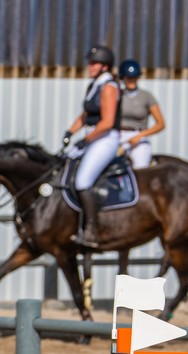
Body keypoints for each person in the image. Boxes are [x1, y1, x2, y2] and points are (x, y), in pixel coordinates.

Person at [61, 44, 122, 249]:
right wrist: (70, 132)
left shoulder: (109, 87)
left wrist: (85, 140)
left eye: (94, 63)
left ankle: (91, 230)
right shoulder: (94, 86)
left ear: (105, 67)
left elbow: (107, 122)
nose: (90, 66)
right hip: (93, 137)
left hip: (105, 139)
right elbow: (85, 115)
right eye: (90, 63)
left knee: (82, 181)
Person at [116, 59, 165, 169]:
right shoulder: (117, 95)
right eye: (129, 78)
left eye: (134, 77)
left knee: (140, 168)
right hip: (118, 136)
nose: (132, 81)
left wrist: (139, 136)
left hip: (138, 138)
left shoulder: (146, 96)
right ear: (123, 78)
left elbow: (161, 124)